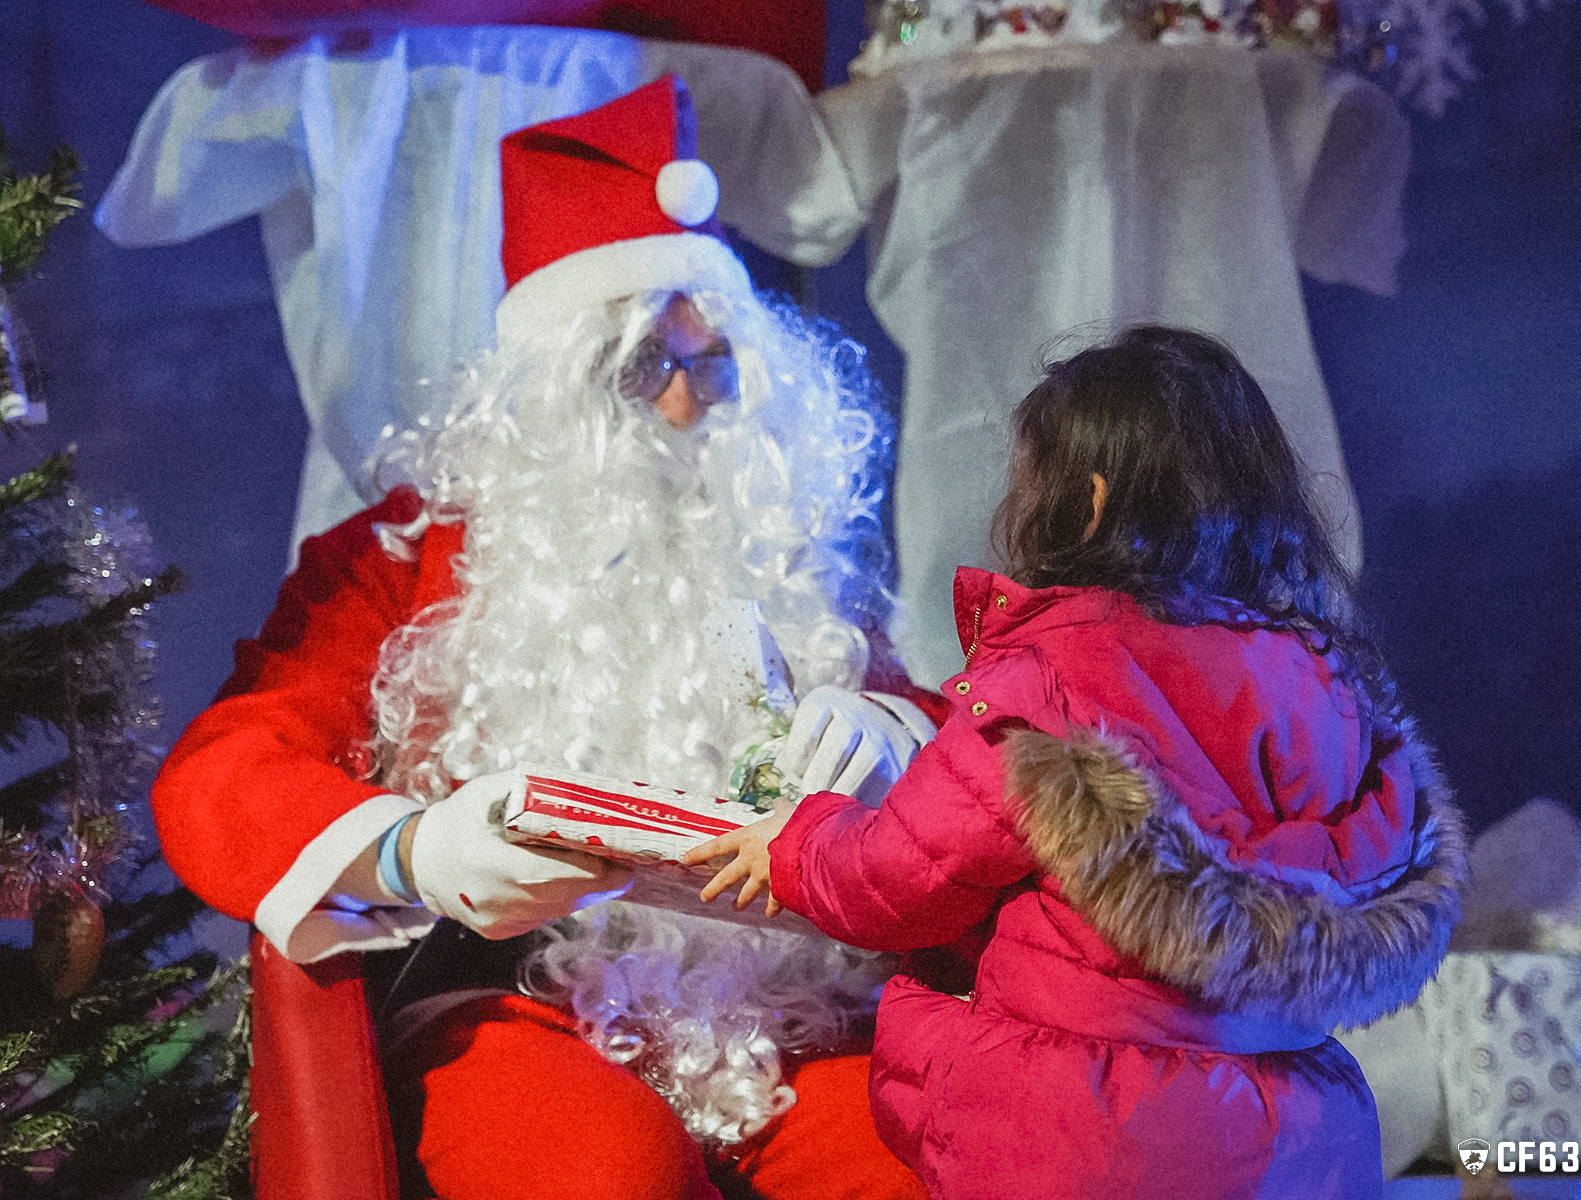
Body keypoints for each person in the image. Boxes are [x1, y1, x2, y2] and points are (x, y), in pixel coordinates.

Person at [151, 77, 937, 1200]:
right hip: (519, 997)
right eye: (641, 366)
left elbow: (958, 735)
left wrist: (896, 732)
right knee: (603, 1173)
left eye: (711, 362)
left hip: (788, 1007)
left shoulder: (781, 553)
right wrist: (417, 851)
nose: (685, 408)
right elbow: (222, 773)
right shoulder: (405, 555)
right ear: (554, 384)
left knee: (931, 1153)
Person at [688, 326, 1469, 1199]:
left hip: (1084, 1139)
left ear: (1088, 501)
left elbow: (895, 881)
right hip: (1302, 1137)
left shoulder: (1053, 679)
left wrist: (797, 843)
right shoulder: (1331, 690)